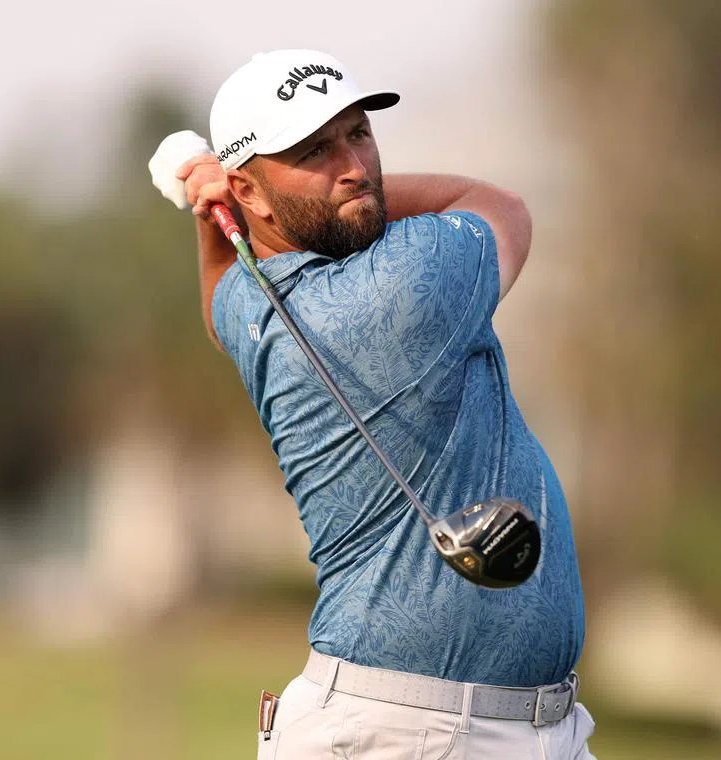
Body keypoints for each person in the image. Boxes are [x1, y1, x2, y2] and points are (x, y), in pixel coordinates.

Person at [164, 49, 593, 759]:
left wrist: (218, 218)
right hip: (402, 734)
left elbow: (217, 306)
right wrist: (227, 209)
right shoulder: (405, 283)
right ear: (252, 190)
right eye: (314, 151)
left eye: (358, 133)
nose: (355, 165)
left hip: (494, 730)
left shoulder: (258, 306)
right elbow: (502, 208)